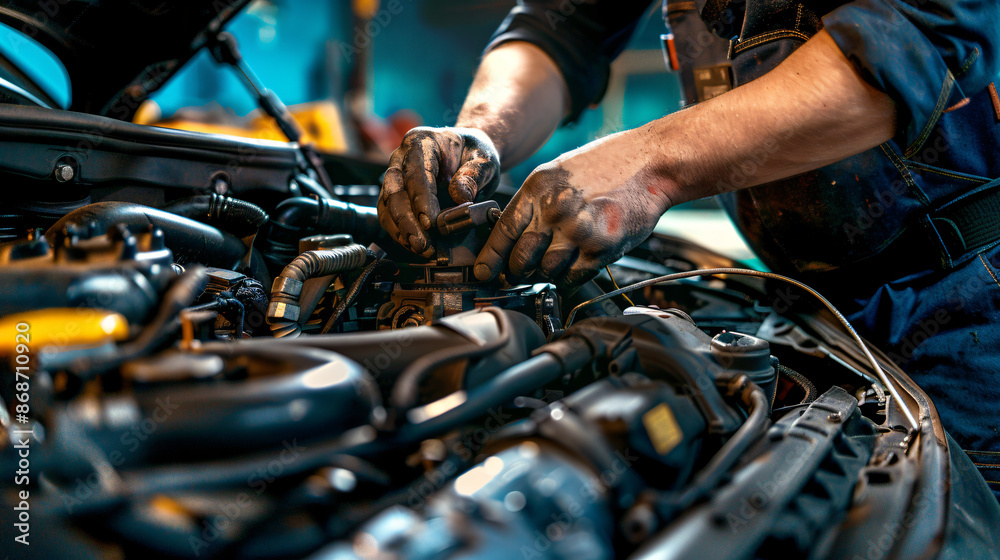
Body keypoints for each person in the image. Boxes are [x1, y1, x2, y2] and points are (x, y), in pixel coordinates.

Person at [377, 0, 1000, 500]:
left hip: (961, 303)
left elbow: (917, 35)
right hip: (806, 303)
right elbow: (559, 28)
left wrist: (650, 166)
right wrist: (479, 133)